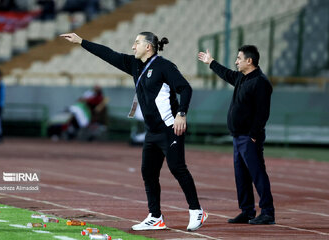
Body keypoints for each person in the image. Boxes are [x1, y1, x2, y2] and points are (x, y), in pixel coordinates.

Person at [61, 31, 208, 231]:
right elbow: (108, 54)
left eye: (136, 43)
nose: (133, 46)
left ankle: (196, 211)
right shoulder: (134, 65)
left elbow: (186, 88)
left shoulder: (164, 66)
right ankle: (155, 217)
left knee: (177, 168)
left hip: (170, 128)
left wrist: (182, 114)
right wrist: (81, 42)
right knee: (148, 172)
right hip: (152, 131)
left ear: (148, 46)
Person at [198, 45, 275, 225]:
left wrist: (254, 135)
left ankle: (268, 212)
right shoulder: (242, 77)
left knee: (257, 174)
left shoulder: (261, 82)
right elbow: (227, 74)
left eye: (239, 58)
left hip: (249, 138)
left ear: (249, 61)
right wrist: (211, 62)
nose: (236, 61)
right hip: (238, 137)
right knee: (241, 176)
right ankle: (247, 211)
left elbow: (262, 112)